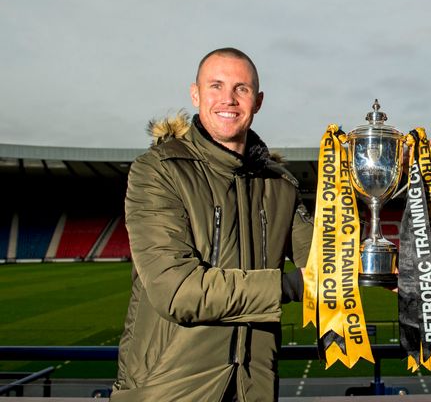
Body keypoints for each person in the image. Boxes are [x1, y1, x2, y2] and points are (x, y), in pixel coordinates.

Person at [111, 48, 312, 402]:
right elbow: (178, 291)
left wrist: (401, 183)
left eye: (242, 89)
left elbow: (328, 258)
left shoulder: (279, 184)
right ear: (195, 94)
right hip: (170, 391)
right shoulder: (158, 170)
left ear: (258, 100)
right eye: (216, 86)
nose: (228, 99)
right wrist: (290, 286)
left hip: (254, 389)